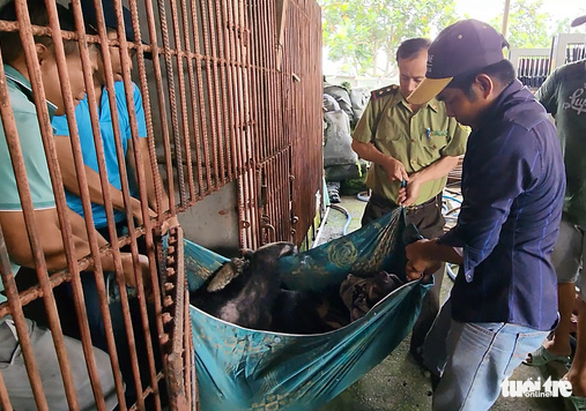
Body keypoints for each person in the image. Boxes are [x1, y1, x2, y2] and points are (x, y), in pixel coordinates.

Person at [404, 20, 565, 411]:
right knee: (435, 350)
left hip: (506, 302)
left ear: (483, 84)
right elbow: (481, 219)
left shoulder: (511, 136)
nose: (447, 110)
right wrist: (437, 246)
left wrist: (427, 251)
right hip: (487, 280)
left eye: (451, 99)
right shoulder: (511, 116)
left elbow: (478, 243)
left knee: (459, 404)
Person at [0, 0, 147, 408]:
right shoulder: (19, 115)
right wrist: (117, 262)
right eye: (83, 63)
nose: (87, 82)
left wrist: (111, 251)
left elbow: (48, 212)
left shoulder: (23, 104)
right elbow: (31, 243)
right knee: (102, 380)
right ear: (40, 53)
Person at [351, 37, 468, 362]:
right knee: (372, 273)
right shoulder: (381, 101)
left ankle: (422, 344)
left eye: (418, 78)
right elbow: (359, 144)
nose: (409, 85)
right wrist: (386, 161)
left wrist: (419, 179)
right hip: (382, 210)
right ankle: (366, 340)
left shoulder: (447, 105)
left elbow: (452, 156)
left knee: (427, 281)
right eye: (404, 76)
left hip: (426, 211)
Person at [52, 0, 177, 240]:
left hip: (126, 218)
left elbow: (139, 152)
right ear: (90, 41)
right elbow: (65, 167)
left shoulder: (127, 92)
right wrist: (132, 205)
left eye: (131, 52)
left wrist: (163, 209)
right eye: (120, 49)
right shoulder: (59, 92)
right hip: (75, 225)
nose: (129, 64)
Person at [523, 14, 586, 410]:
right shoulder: (566, 76)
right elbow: (528, 115)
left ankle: (580, 374)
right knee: (558, 275)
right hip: (564, 202)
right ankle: (560, 342)